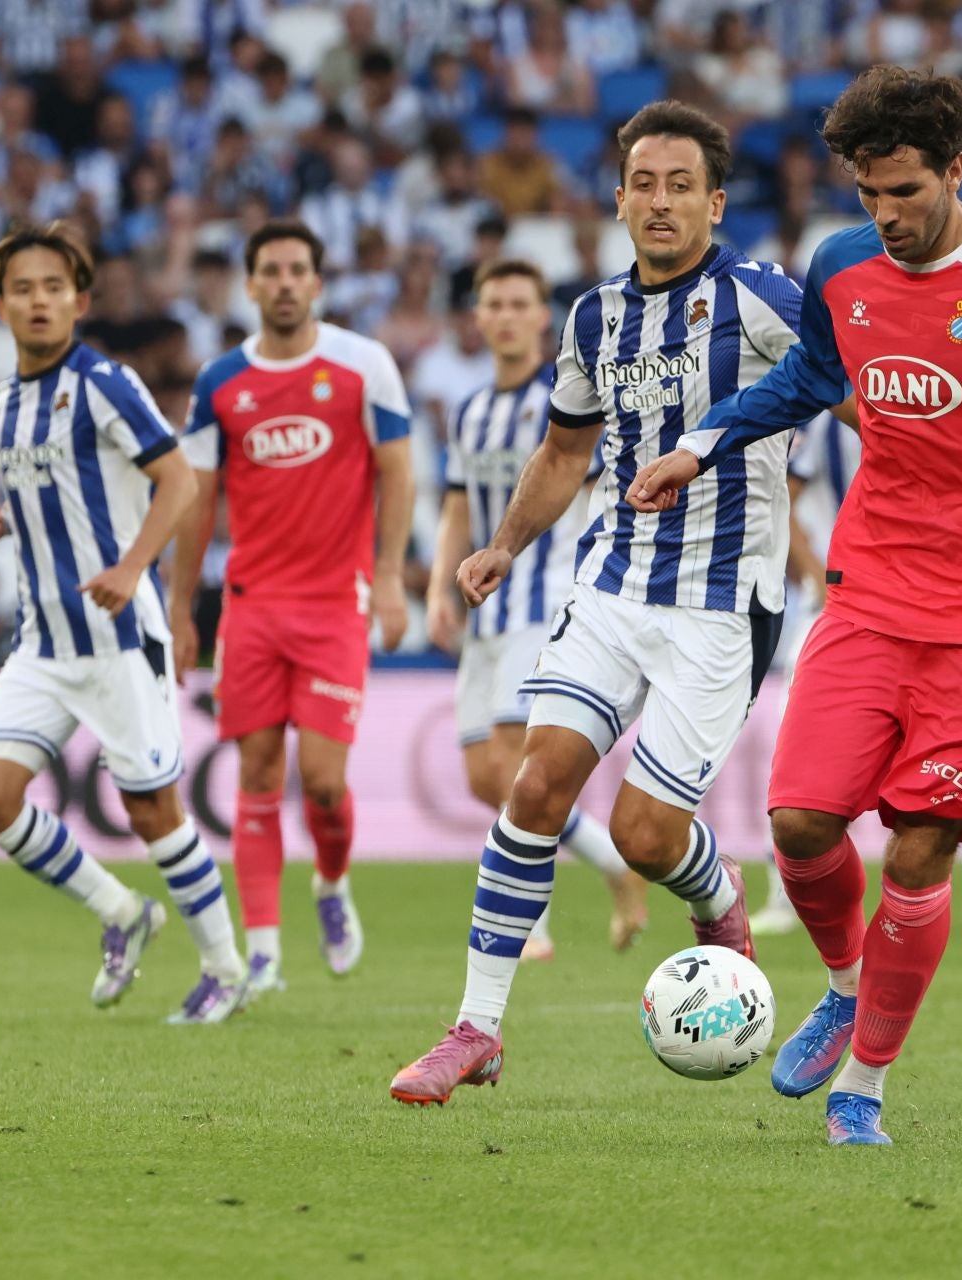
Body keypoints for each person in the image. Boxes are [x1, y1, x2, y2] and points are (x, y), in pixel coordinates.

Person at [629, 67, 962, 1146]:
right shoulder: (842, 263)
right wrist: (701, 444)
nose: (888, 215)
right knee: (801, 823)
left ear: (957, 169)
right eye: (869, 194)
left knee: (917, 849)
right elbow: (813, 379)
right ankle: (846, 983)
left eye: (906, 191)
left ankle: (864, 1082)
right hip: (872, 586)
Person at [389, 101, 813, 1107]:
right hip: (612, 584)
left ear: (715, 202)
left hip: (722, 603)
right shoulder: (593, 317)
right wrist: (503, 543)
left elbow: (847, 389)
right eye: (644, 185)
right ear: (618, 199)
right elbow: (565, 450)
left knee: (644, 835)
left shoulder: (764, 299)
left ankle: (716, 890)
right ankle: (475, 1028)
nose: (661, 203)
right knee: (535, 786)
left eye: (682, 186)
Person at [0, 222, 248, 1024]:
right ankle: (121, 910)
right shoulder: (2, 402)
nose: (39, 301)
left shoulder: (104, 382)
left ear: (80, 302)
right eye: (23, 289)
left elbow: (178, 481)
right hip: (43, 643)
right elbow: (53, 502)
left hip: (119, 637)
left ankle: (226, 969)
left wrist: (132, 567)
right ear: (1, 306)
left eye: (54, 288)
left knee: (153, 811)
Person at [170, 219, 415, 998]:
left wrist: (390, 577)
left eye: (296, 270)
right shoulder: (219, 383)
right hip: (251, 608)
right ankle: (265, 954)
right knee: (256, 772)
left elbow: (398, 472)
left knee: (323, 782)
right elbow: (195, 500)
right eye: (270, 271)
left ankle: (332, 884)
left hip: (335, 605)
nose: (283, 283)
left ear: (317, 283)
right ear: (250, 286)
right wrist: (180, 609)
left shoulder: (362, 365)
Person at [427, 258, 650, 963]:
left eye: (519, 303)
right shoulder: (470, 409)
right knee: (481, 775)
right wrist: (437, 590)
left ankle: (533, 927)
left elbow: (588, 490)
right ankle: (613, 865)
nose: (505, 316)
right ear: (477, 317)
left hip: (545, 600)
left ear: (540, 318)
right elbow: (457, 507)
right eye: (493, 303)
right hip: (486, 612)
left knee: (514, 767)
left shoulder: (568, 400)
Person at [752, 412, 962, 936]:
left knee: (959, 761)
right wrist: (817, 574)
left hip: (949, 607)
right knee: (798, 767)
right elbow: (785, 499)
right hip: (846, 605)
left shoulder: (956, 407)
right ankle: (782, 894)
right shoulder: (827, 419)